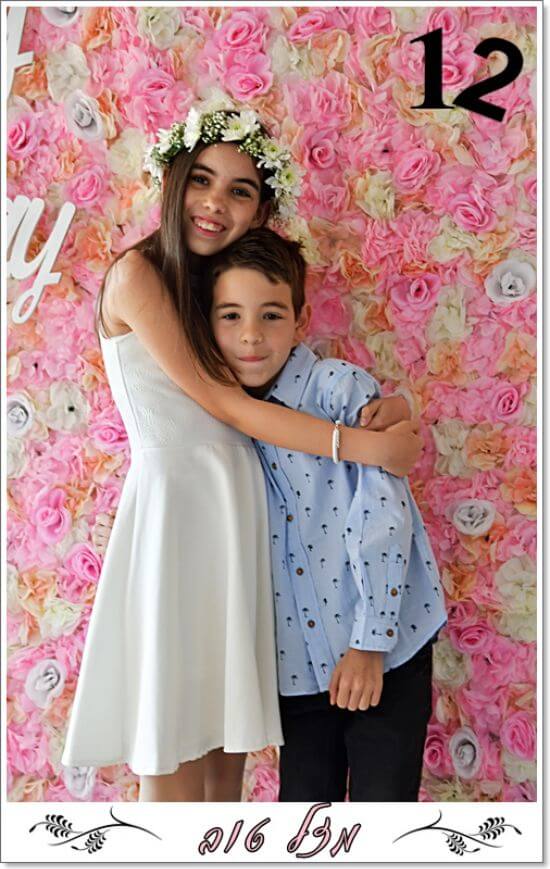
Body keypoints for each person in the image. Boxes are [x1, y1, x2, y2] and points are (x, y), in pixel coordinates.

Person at [61, 101, 420, 803]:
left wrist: (393, 408)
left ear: (261, 211)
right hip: (177, 513)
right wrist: (367, 448)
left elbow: (292, 383)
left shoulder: (224, 290)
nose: (214, 203)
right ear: (172, 181)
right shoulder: (138, 275)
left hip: (236, 514)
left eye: (239, 190)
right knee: (172, 734)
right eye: (201, 180)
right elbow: (226, 403)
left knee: (226, 746)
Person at [206, 228, 448, 801]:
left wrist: (370, 643)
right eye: (230, 316)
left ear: (300, 318)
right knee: (304, 818)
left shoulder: (338, 392)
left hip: (386, 651)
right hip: (298, 673)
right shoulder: (218, 418)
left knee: (382, 815)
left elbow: (383, 519)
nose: (250, 336)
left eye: (270, 315)